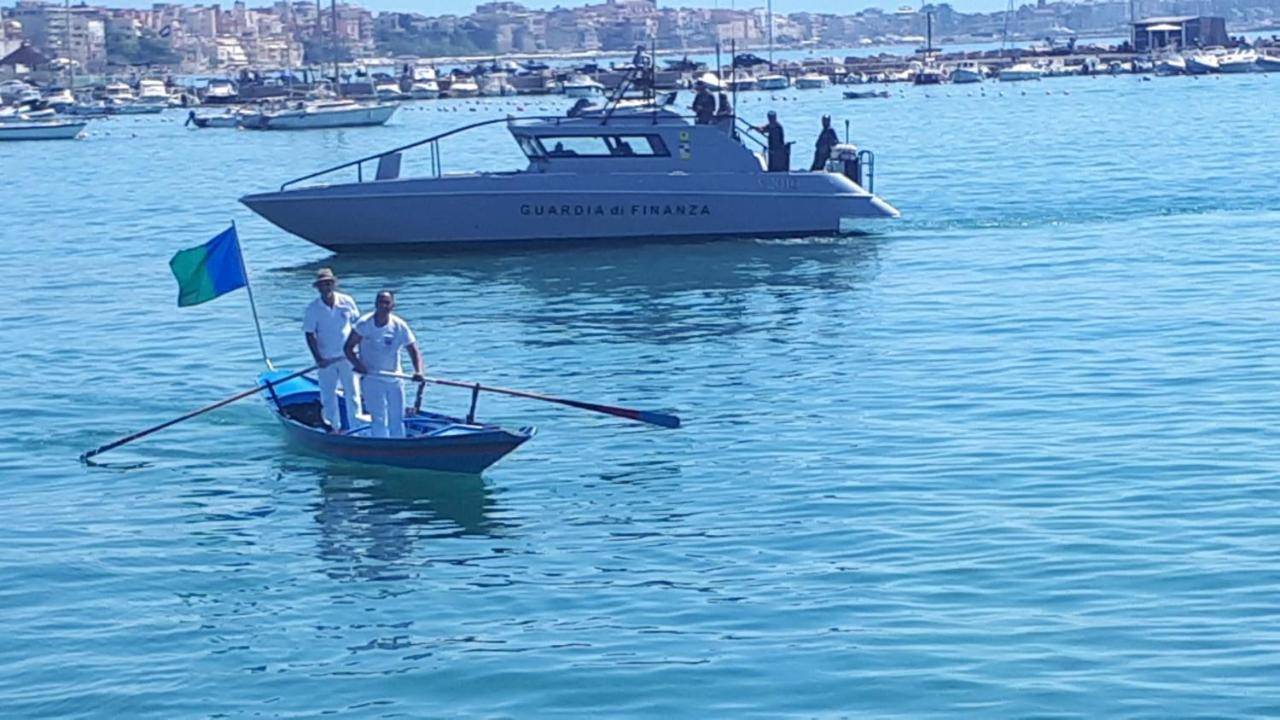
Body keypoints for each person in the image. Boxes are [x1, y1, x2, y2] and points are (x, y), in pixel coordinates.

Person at [344, 291, 424, 439]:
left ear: (392, 306)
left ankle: (399, 445)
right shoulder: (364, 324)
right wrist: (358, 365)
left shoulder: (399, 326)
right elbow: (348, 348)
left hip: (394, 378)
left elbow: (413, 349)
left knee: (397, 418)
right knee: (379, 418)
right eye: (380, 303)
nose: (383, 306)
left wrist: (418, 371)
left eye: (387, 303)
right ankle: (381, 444)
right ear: (375, 305)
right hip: (372, 378)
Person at [303, 268, 362, 432]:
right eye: (323, 285)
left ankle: (356, 428)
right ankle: (333, 427)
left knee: (353, 394)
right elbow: (309, 334)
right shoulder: (313, 309)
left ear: (334, 284)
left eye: (329, 284)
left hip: (347, 357)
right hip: (326, 359)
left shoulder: (347, 301)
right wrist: (318, 359)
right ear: (318, 287)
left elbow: (358, 326)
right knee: (328, 395)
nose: (326, 287)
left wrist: (356, 352)